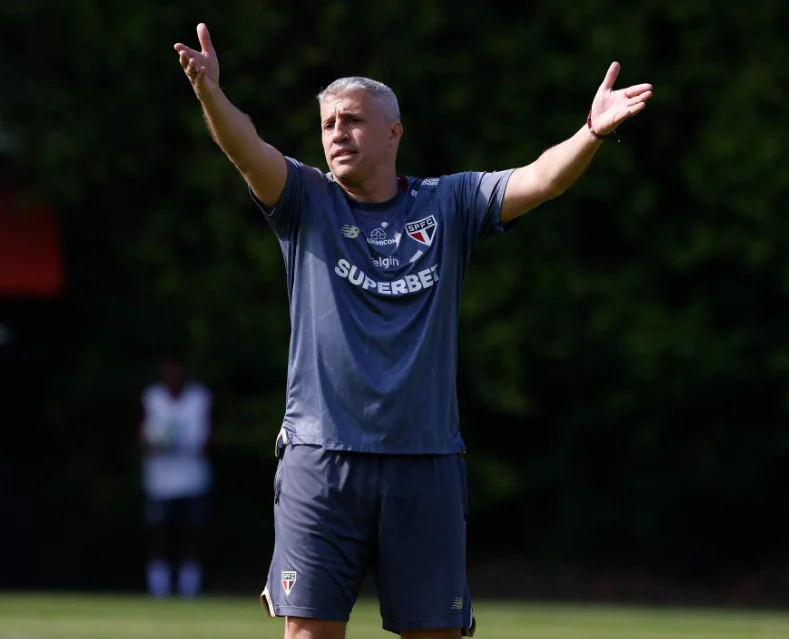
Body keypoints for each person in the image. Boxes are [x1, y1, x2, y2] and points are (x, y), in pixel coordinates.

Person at [173, 23, 652, 639]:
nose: (336, 133)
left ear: (394, 132)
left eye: (352, 120)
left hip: (424, 461)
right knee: (309, 634)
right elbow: (247, 150)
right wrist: (211, 94)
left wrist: (591, 133)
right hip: (321, 459)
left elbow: (541, 178)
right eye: (327, 124)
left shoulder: (448, 203)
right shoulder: (307, 201)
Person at [139, 355, 213, 599]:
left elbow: (207, 440)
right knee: (158, 532)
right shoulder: (152, 397)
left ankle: (189, 587)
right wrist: (155, 442)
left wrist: (182, 442)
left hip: (192, 478)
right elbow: (144, 437)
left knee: (191, 532)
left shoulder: (199, 397)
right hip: (160, 480)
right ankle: (158, 587)